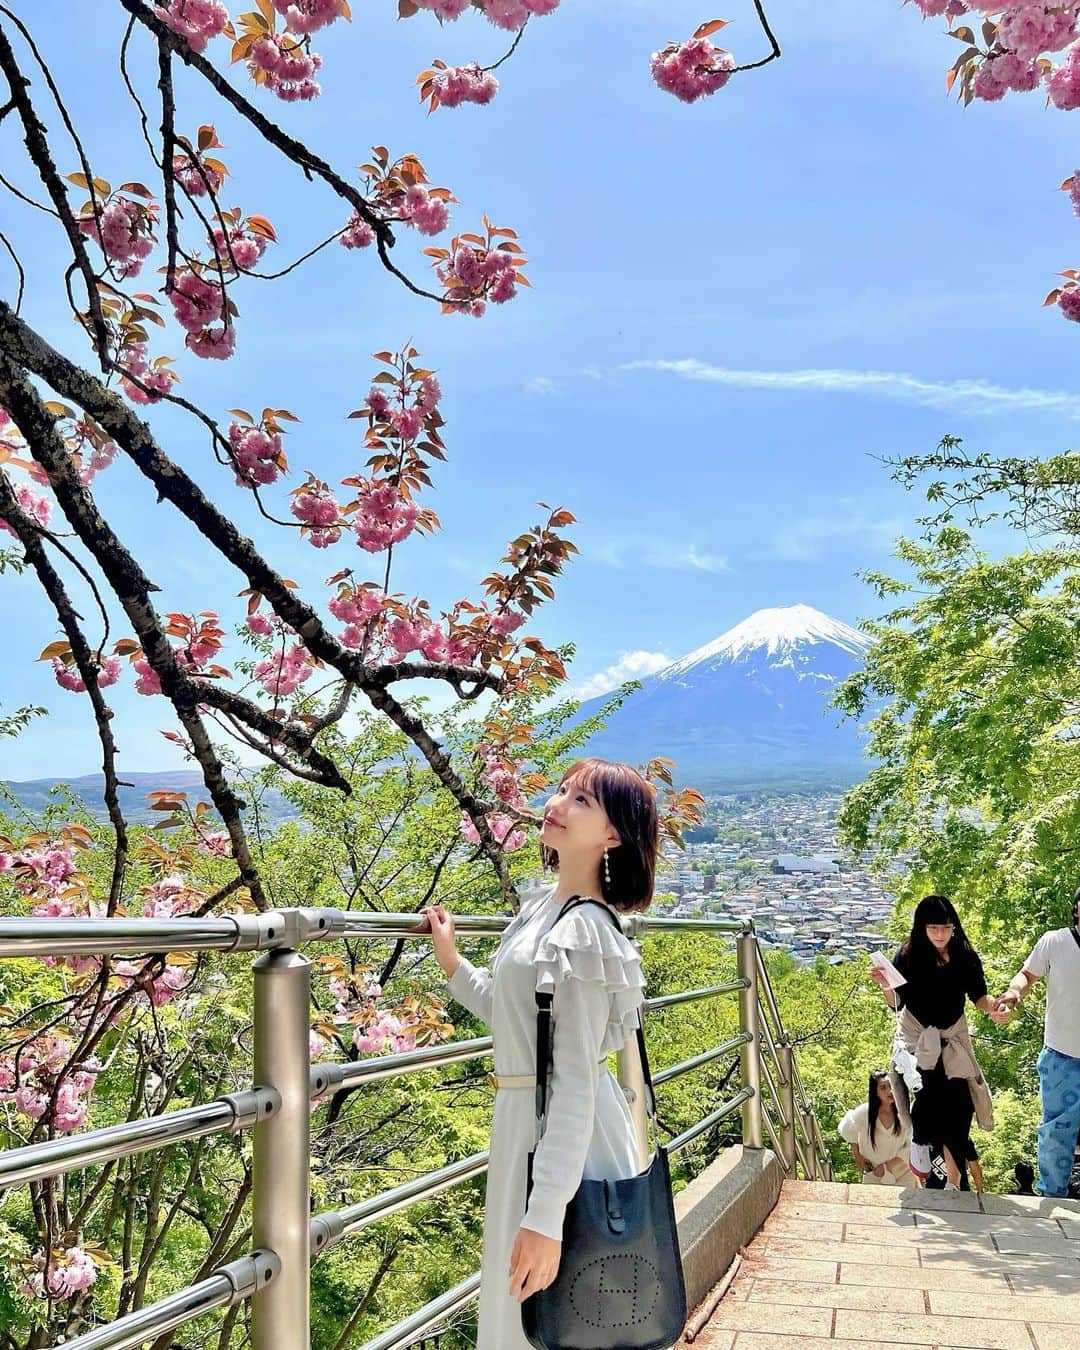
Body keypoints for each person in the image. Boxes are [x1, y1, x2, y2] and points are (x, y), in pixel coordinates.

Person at [420, 758, 658, 1350]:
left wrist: (547, 1214)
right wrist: (453, 963)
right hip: (528, 1120)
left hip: (562, 1129)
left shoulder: (587, 930)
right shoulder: (540, 913)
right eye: (562, 790)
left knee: (555, 1312)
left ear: (612, 835)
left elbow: (576, 1077)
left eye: (581, 801)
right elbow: (514, 1019)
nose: (556, 803)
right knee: (531, 1313)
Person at [869, 895, 1003, 1188]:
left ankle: (954, 1179)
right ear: (922, 928)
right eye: (933, 928)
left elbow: (979, 996)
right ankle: (920, 1143)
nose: (940, 935)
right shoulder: (907, 956)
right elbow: (896, 1003)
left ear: (953, 927)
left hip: (952, 1035)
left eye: (945, 928)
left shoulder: (965, 956)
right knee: (929, 1096)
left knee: (960, 1105)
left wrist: (994, 1007)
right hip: (918, 1037)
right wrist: (884, 986)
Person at [995, 886, 1080, 1197]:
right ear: (1077, 909)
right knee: (1057, 1130)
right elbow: (1026, 976)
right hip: (1062, 1054)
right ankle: (1052, 1193)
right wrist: (1013, 994)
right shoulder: (1055, 941)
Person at [838, 1069, 916, 1186]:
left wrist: (887, 1166)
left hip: (902, 1173)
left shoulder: (904, 1112)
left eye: (891, 1086)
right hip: (874, 1175)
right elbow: (846, 1128)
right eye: (883, 1088)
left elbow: (912, 1144)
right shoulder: (865, 1112)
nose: (889, 1091)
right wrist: (857, 1155)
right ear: (876, 1092)